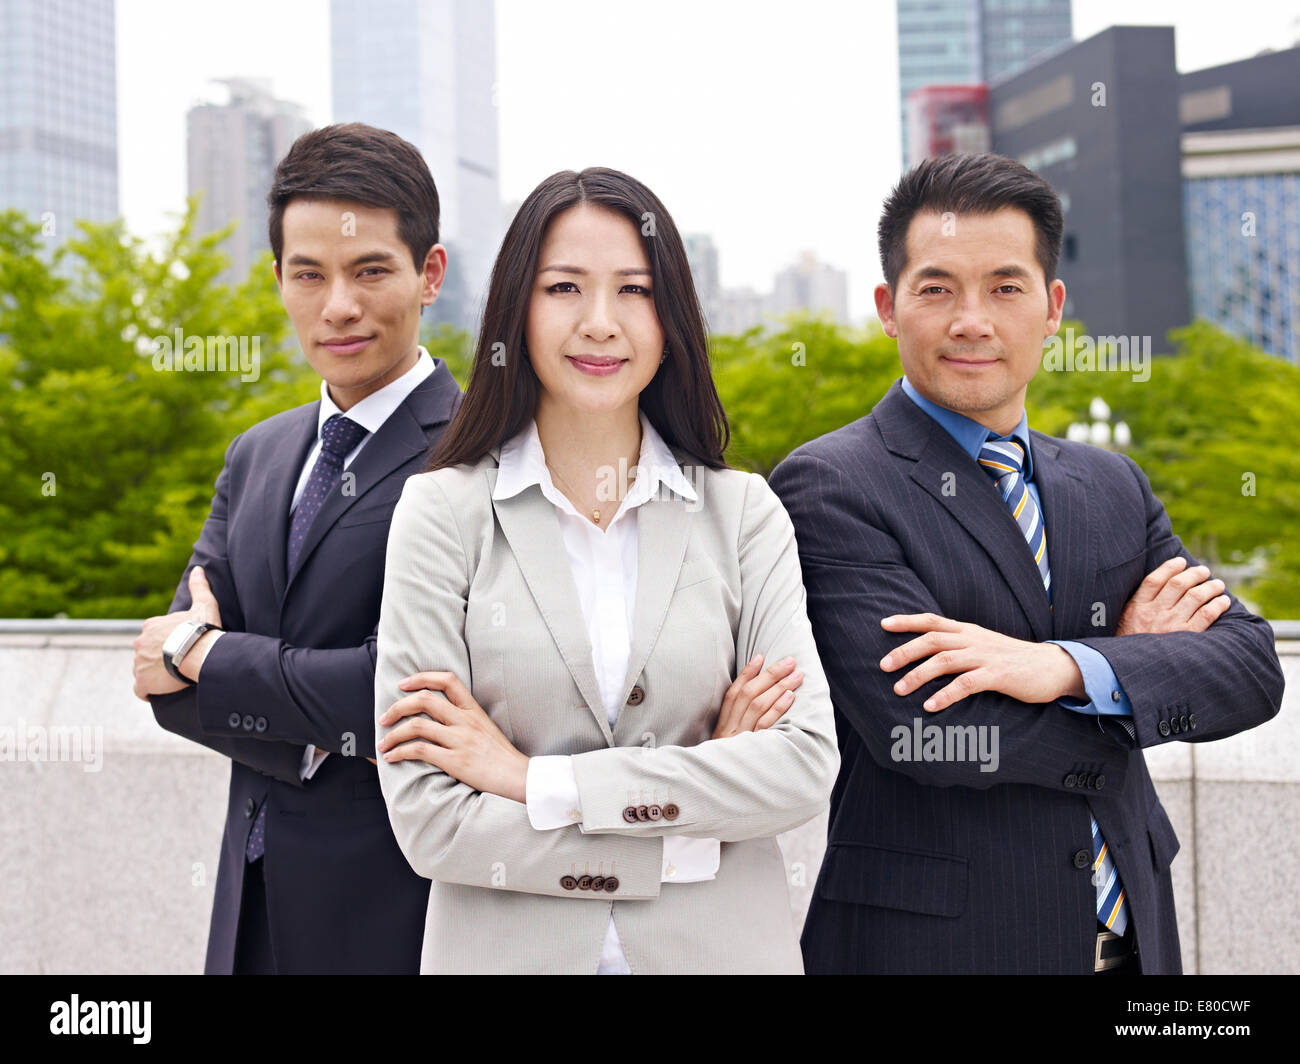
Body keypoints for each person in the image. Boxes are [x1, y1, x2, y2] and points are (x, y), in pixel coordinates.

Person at [770, 152, 1285, 975]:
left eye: (1006, 288)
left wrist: (1062, 668)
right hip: (940, 949)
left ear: (1051, 309)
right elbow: (925, 731)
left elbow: (1252, 670)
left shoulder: (1109, 483)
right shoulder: (831, 484)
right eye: (936, 288)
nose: (973, 320)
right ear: (887, 308)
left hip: (1135, 947)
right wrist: (1136, 674)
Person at [373, 166, 839, 974]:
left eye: (634, 290)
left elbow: (800, 770)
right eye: (563, 288)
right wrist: (688, 826)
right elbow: (430, 822)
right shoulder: (440, 515)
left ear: (672, 319)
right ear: (516, 310)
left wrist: (529, 780)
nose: (599, 323)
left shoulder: (743, 514)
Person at [132, 123, 463, 974]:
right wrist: (311, 723)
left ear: (430, 273)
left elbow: (401, 692)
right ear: (278, 277)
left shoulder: (478, 453)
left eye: (370, 271)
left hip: (401, 918)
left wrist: (213, 657)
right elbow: (164, 685)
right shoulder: (260, 452)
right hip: (250, 912)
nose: (338, 306)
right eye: (309, 275)